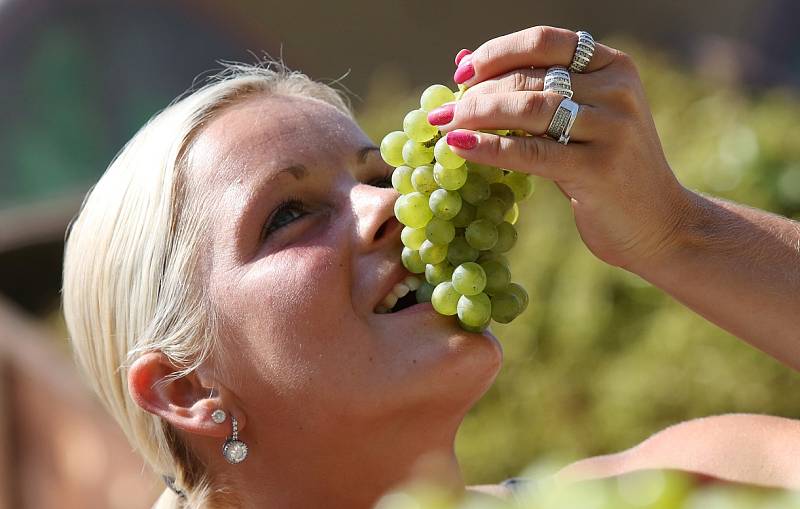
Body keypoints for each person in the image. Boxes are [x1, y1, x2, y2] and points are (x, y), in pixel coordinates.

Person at [61, 26, 800, 508]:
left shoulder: (691, 482)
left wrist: (677, 231)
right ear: (186, 387)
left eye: (385, 175)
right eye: (288, 214)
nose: (390, 209)